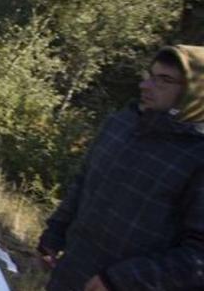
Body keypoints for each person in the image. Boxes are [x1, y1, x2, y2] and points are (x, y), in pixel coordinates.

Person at [37, 45, 204, 291]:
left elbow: (197, 257)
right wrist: (54, 234)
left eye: (164, 80)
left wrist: (122, 279)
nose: (145, 86)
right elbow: (84, 183)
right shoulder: (122, 124)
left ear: (195, 92)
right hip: (72, 272)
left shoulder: (197, 156)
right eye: (150, 75)